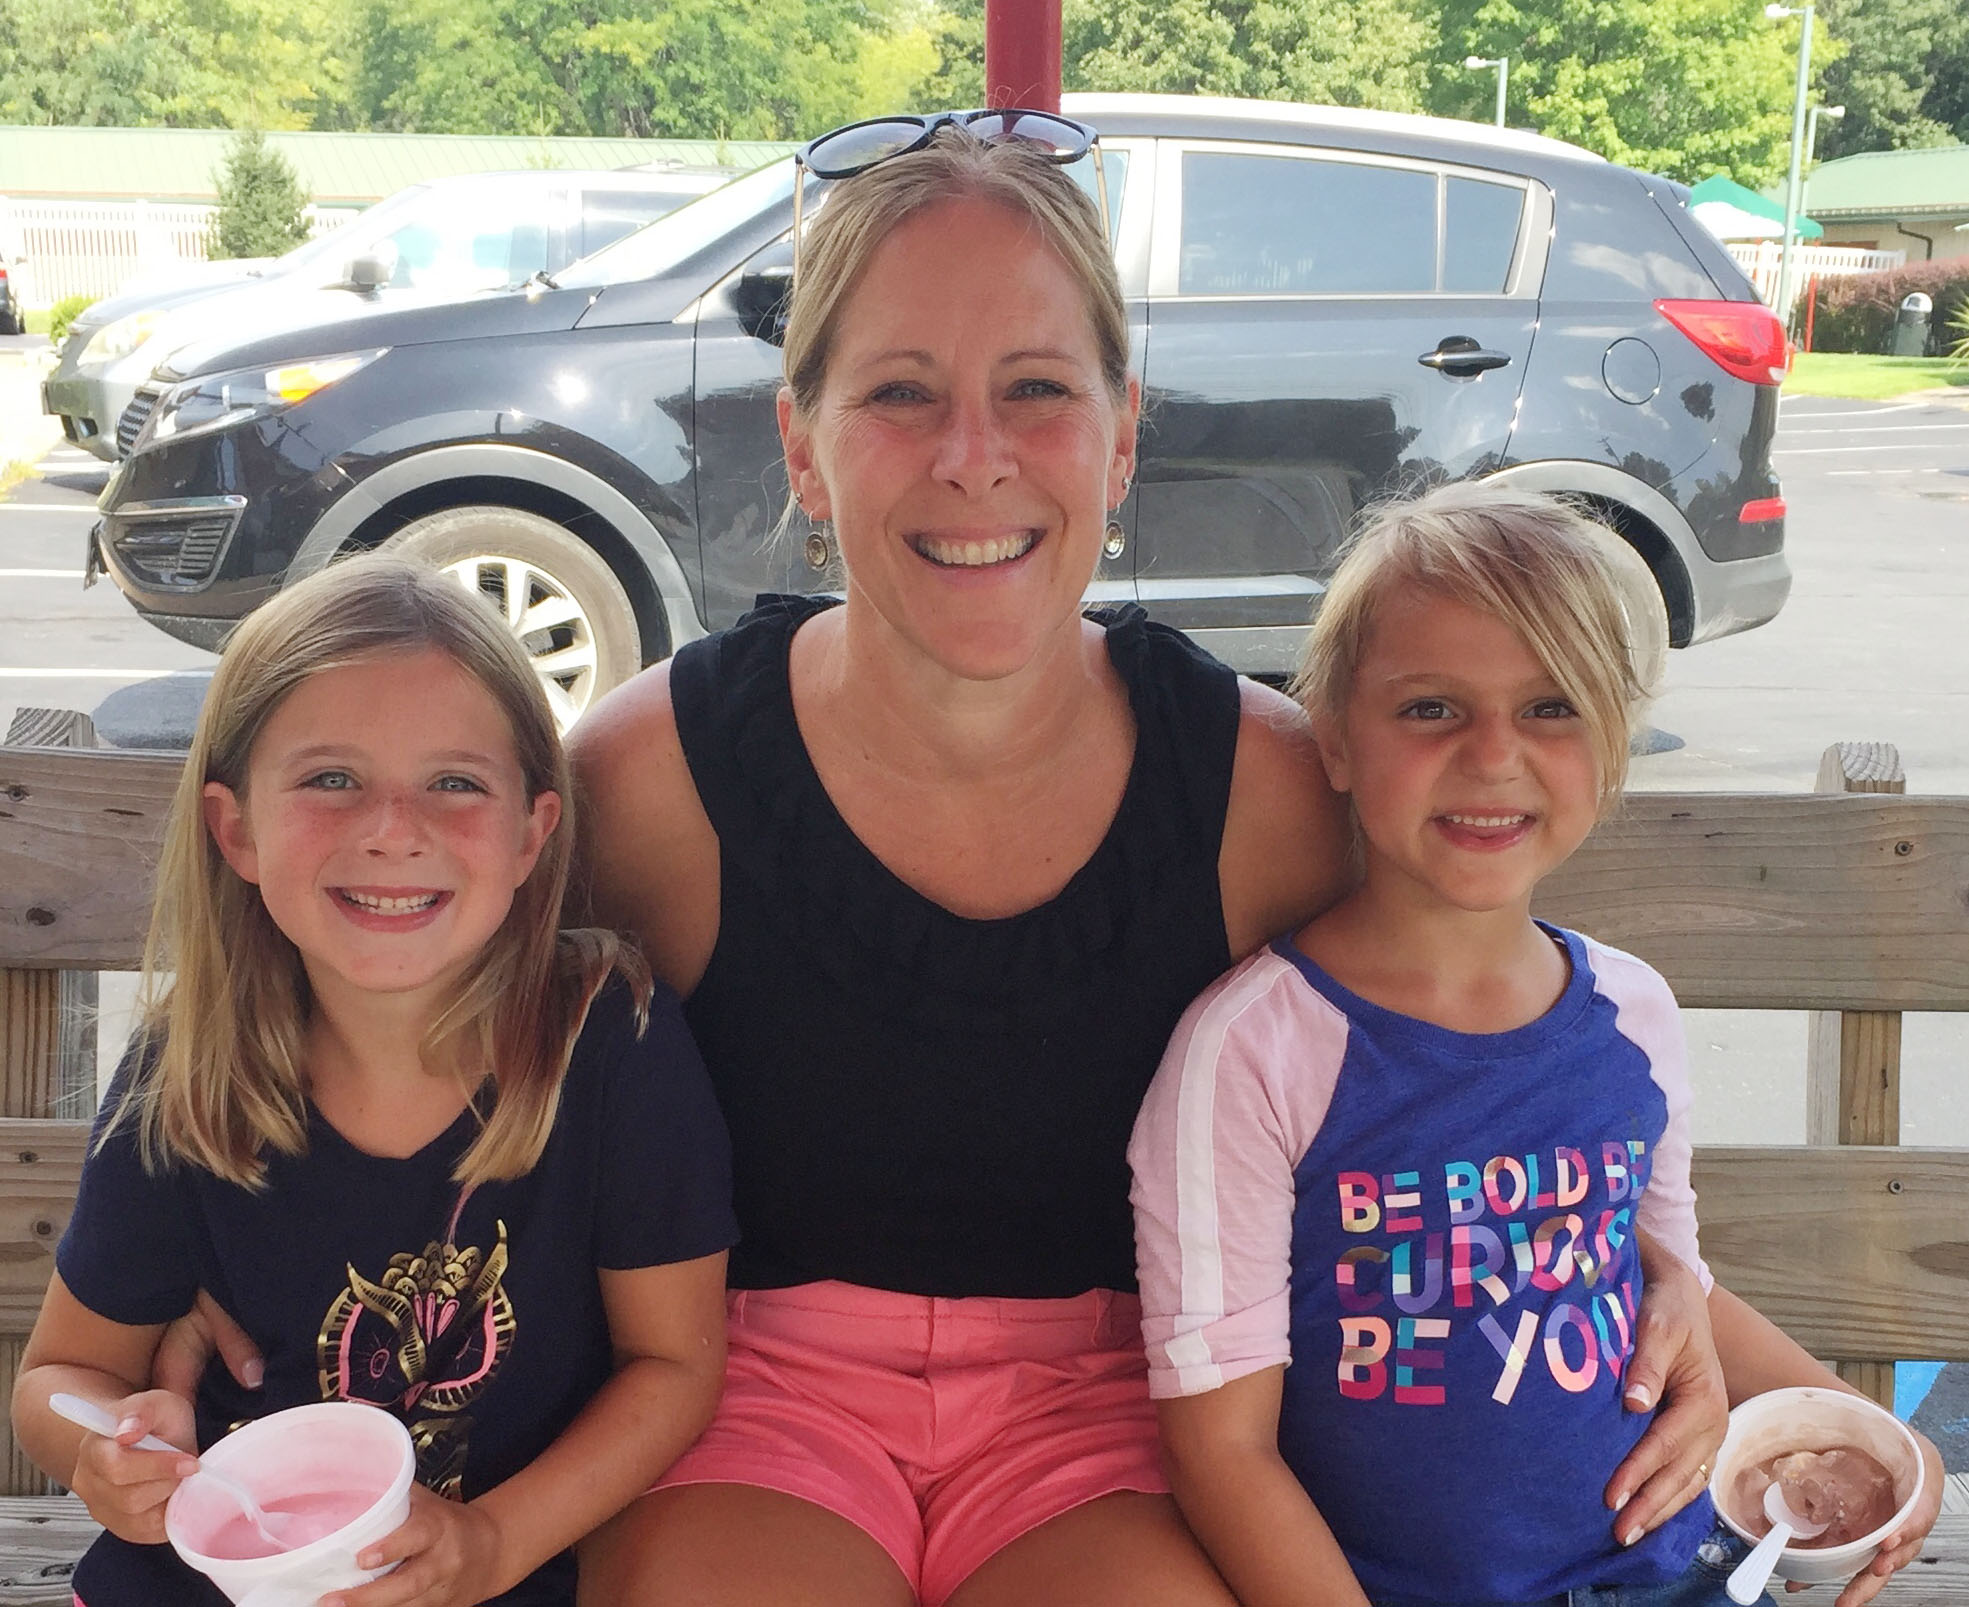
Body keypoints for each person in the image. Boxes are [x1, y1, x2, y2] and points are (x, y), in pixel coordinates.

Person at [564, 118, 1731, 1607]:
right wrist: (193, 1276)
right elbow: (424, 1046)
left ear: (1122, 438)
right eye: (900, 393)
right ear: (802, 442)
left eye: (1037, 390)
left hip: (1121, 1420)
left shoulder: (1258, 787)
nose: (972, 456)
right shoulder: (653, 776)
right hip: (754, 1400)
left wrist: (1680, 1294)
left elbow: (1492, 1074)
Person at [1128, 481, 1945, 1607]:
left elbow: (1669, 1285)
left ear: (1611, 739)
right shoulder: (1254, 1052)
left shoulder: (1633, 1014)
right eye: (1429, 708)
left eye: (1552, 706)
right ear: (1333, 735)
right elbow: (1222, 1448)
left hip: (1675, 1570)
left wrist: (1870, 1442)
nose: (1492, 754)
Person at [11, 556, 738, 1607]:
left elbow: (673, 1366)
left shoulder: (606, 1038)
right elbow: (55, 1378)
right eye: (331, 778)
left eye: (454, 781)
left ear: (533, 831)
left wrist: (492, 1538)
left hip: (508, 1568)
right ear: (237, 829)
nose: (394, 827)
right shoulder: (187, 1079)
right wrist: (108, 1447)